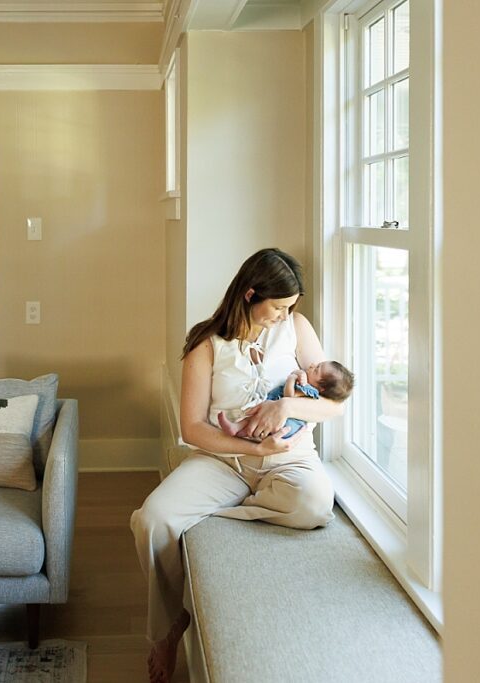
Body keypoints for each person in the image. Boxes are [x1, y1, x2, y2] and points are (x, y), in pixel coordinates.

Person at [130, 248, 345, 683]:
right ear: (250, 294)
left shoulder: (296, 328)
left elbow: (335, 405)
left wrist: (286, 406)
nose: (285, 315)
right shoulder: (206, 344)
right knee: (151, 521)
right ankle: (167, 629)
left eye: (291, 307)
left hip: (289, 456)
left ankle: (218, 515)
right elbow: (191, 428)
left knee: (315, 506)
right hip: (224, 460)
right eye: (279, 306)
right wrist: (250, 452)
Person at [218, 360, 354, 440]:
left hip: (286, 425)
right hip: (280, 418)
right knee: (260, 413)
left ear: (321, 388)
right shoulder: (307, 383)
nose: (312, 365)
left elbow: (289, 397)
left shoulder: (309, 391)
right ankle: (238, 430)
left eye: (316, 369)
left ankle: (238, 428)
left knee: (262, 411)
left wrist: (292, 378)